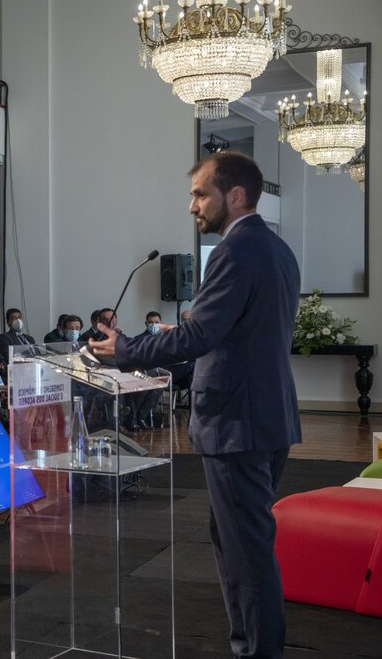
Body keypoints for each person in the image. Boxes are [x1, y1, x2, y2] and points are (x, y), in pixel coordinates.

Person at [90, 152, 300, 659]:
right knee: (237, 540)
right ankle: (250, 645)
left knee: (245, 549)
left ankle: (258, 651)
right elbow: (236, 331)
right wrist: (180, 332)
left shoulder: (234, 250)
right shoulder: (276, 248)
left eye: (201, 194)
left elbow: (201, 336)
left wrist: (126, 349)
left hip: (236, 421)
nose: (192, 206)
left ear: (236, 195)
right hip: (266, 414)